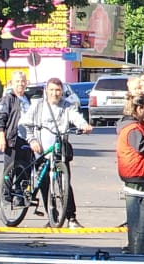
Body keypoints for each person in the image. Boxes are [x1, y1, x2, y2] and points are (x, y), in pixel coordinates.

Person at [20, 77, 94, 226]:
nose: (55, 93)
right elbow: (25, 124)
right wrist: (32, 140)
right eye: (52, 90)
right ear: (46, 91)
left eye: (58, 90)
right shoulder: (38, 105)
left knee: (65, 183)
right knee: (45, 184)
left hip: (59, 150)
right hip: (40, 150)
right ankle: (52, 217)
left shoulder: (67, 106)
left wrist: (84, 125)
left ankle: (71, 218)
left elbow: (75, 117)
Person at [0, 71, 31, 183]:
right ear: (12, 83)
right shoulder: (8, 98)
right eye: (18, 81)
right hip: (13, 139)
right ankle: (6, 196)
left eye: (23, 81)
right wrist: (1, 137)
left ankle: (21, 196)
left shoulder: (28, 99)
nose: (21, 84)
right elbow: (1, 118)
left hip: (27, 139)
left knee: (25, 170)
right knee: (9, 171)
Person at [116, 93, 144, 193]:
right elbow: (141, 147)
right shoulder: (132, 128)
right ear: (139, 109)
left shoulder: (138, 125)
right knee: (137, 206)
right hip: (136, 173)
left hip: (138, 172)